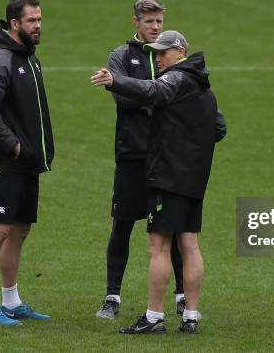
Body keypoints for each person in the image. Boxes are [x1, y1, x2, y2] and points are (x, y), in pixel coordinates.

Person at [91, 30, 226, 334]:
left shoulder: (176, 79)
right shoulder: (204, 86)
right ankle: (190, 316)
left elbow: (154, 92)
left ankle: (154, 317)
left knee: (158, 246)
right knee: (189, 244)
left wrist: (116, 80)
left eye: (163, 52)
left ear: (179, 51)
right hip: (193, 179)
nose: (158, 58)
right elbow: (218, 128)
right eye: (154, 53)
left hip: (168, 178)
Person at [95, 0, 187, 320]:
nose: (155, 27)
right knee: (122, 225)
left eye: (159, 21)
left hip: (166, 159)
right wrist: (154, 92)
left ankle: (180, 295)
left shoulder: (171, 55)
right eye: (149, 21)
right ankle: (112, 296)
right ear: (136, 22)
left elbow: (179, 96)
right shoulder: (121, 55)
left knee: (170, 228)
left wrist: (146, 91)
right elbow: (122, 96)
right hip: (132, 156)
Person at [0, 0, 54, 326]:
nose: (38, 25)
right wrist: (14, 146)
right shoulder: (1, 60)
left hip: (26, 163)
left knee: (20, 229)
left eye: (39, 19)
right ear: (14, 24)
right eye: (31, 20)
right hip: (4, 161)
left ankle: (10, 300)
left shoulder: (29, 59)